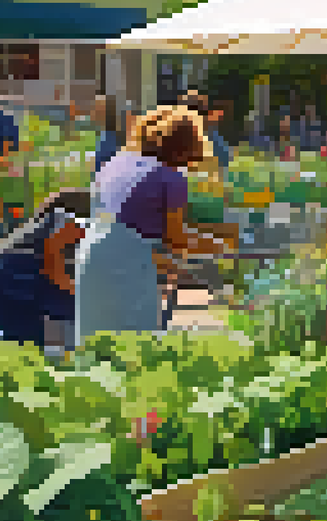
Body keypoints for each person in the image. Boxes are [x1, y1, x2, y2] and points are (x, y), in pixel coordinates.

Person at [76, 105, 231, 345]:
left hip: (89, 259)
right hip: (126, 269)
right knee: (135, 346)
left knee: (93, 344)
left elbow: (121, 224)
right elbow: (176, 238)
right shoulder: (171, 178)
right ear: (184, 149)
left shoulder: (114, 164)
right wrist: (221, 248)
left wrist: (161, 258)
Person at [0, 188, 90, 356]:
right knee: (77, 310)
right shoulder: (68, 221)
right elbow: (53, 263)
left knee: (11, 340)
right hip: (15, 276)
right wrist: (79, 295)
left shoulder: (44, 224)